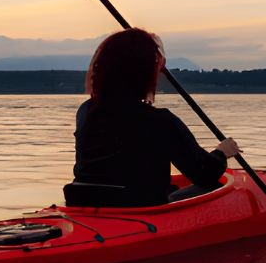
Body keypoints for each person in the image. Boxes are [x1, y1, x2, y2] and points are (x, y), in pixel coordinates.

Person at [66, 28, 240, 207]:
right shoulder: (160, 121)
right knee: (214, 186)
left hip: (81, 202)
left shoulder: (86, 111)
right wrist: (222, 152)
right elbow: (204, 174)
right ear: (145, 74)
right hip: (138, 208)